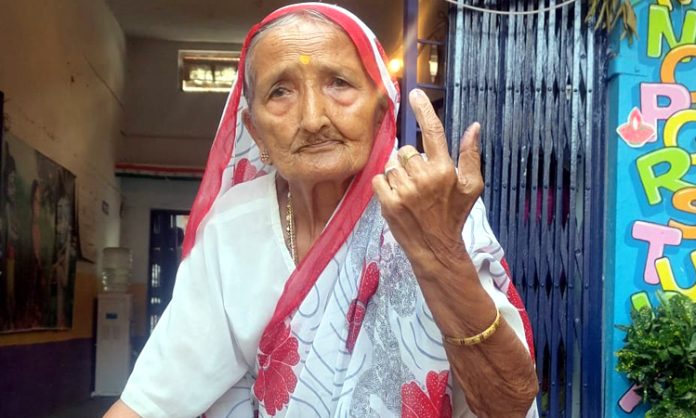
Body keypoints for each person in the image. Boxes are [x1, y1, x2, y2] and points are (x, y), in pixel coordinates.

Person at [105, 3, 538, 417]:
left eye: (339, 84)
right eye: (280, 92)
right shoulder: (232, 228)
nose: (313, 119)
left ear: (381, 108)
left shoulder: (430, 204)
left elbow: (507, 404)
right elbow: (152, 400)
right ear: (254, 131)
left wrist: (440, 256)